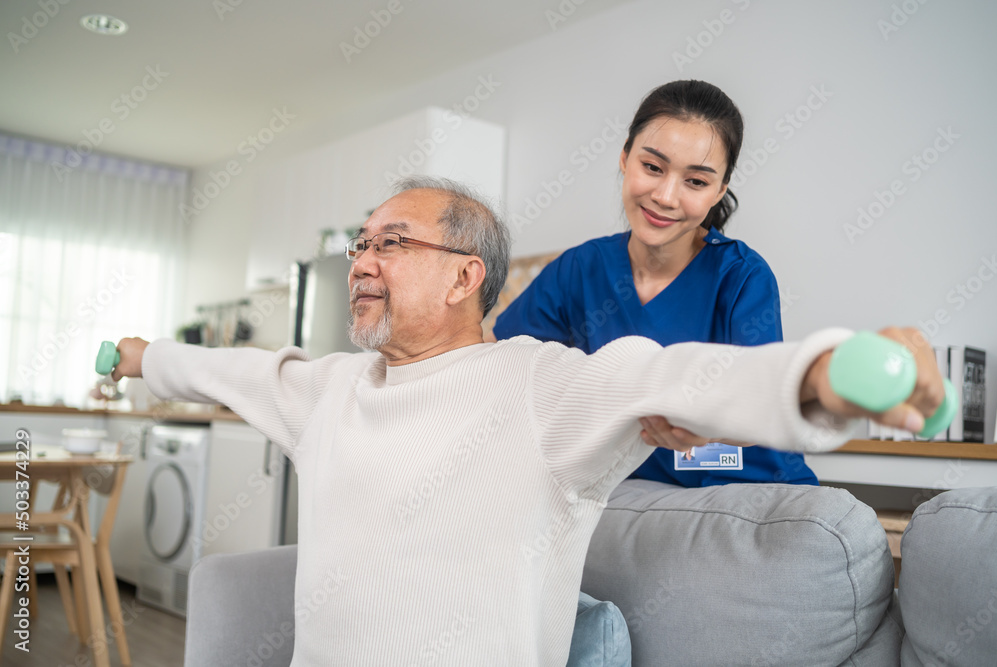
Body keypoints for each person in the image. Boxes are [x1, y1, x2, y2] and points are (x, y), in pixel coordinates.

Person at [111, 177, 943, 666]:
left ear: (463, 276)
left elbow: (678, 372)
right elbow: (223, 367)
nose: (362, 261)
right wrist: (138, 354)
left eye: (390, 243)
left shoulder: (543, 384)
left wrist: (828, 374)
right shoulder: (326, 387)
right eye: (362, 243)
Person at [494, 80, 815, 487]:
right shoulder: (580, 268)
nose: (665, 196)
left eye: (696, 181)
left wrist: (710, 429)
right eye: (652, 167)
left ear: (719, 191)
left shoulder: (740, 276)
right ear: (625, 159)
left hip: (746, 488)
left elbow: (762, 403)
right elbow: (507, 364)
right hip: (625, 486)